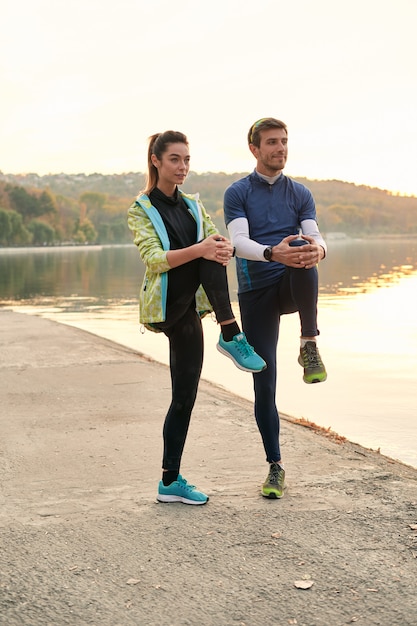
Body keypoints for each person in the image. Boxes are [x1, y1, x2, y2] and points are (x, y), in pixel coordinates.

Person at [127, 130, 266, 506]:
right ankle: (231, 332)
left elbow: (214, 240)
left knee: (184, 396)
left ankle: (169, 482)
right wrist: (204, 249)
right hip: (168, 303)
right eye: (175, 159)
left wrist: (220, 246)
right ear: (156, 160)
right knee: (205, 251)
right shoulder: (141, 209)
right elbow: (155, 260)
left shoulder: (192, 205)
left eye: (187, 159)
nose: (182, 167)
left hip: (192, 306)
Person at [223, 117, 327, 500]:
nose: (280, 148)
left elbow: (314, 235)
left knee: (305, 248)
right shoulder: (237, 192)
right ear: (255, 149)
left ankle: (309, 342)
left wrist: (321, 248)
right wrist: (271, 252)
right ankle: (275, 466)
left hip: (289, 283)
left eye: (284, 142)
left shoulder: (299, 193)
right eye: (271, 143)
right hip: (256, 294)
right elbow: (237, 242)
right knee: (264, 381)